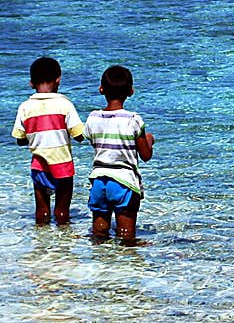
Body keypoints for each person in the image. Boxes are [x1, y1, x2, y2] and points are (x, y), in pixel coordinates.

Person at [84, 65, 154, 245]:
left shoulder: (93, 118)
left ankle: (101, 265)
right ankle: (125, 265)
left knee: (99, 232)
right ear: (131, 91)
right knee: (126, 234)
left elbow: (94, 142)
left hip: (99, 180)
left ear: (101, 89)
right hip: (124, 182)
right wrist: (149, 140)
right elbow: (145, 155)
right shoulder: (133, 120)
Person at [12, 56, 84, 225]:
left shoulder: (25, 107)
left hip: (39, 166)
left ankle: (41, 246)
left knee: (42, 211)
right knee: (62, 212)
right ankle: (63, 246)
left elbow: (20, 140)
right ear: (58, 79)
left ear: (31, 83)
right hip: (63, 165)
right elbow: (79, 136)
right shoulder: (65, 104)